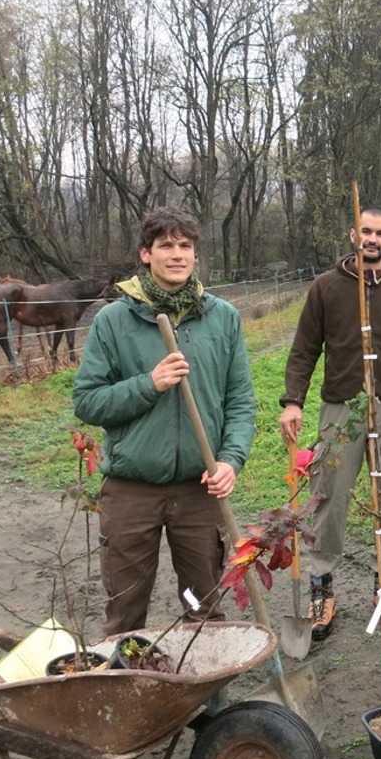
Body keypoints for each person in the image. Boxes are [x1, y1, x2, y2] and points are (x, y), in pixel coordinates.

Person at [74, 207, 256, 636]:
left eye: (185, 246)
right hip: (131, 490)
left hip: (199, 490)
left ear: (195, 254)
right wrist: (148, 384)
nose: (177, 255)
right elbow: (88, 402)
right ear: (146, 253)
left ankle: (205, 679)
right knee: (126, 610)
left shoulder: (222, 318)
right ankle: (127, 678)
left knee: (203, 608)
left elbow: (241, 401)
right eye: (166, 245)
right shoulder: (114, 321)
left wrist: (230, 460)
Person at [279, 208, 381, 639]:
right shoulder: (326, 287)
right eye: (366, 231)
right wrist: (293, 401)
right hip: (341, 407)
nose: (372, 239)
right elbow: (304, 348)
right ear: (352, 234)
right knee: (328, 495)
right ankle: (322, 588)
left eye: (380, 233)